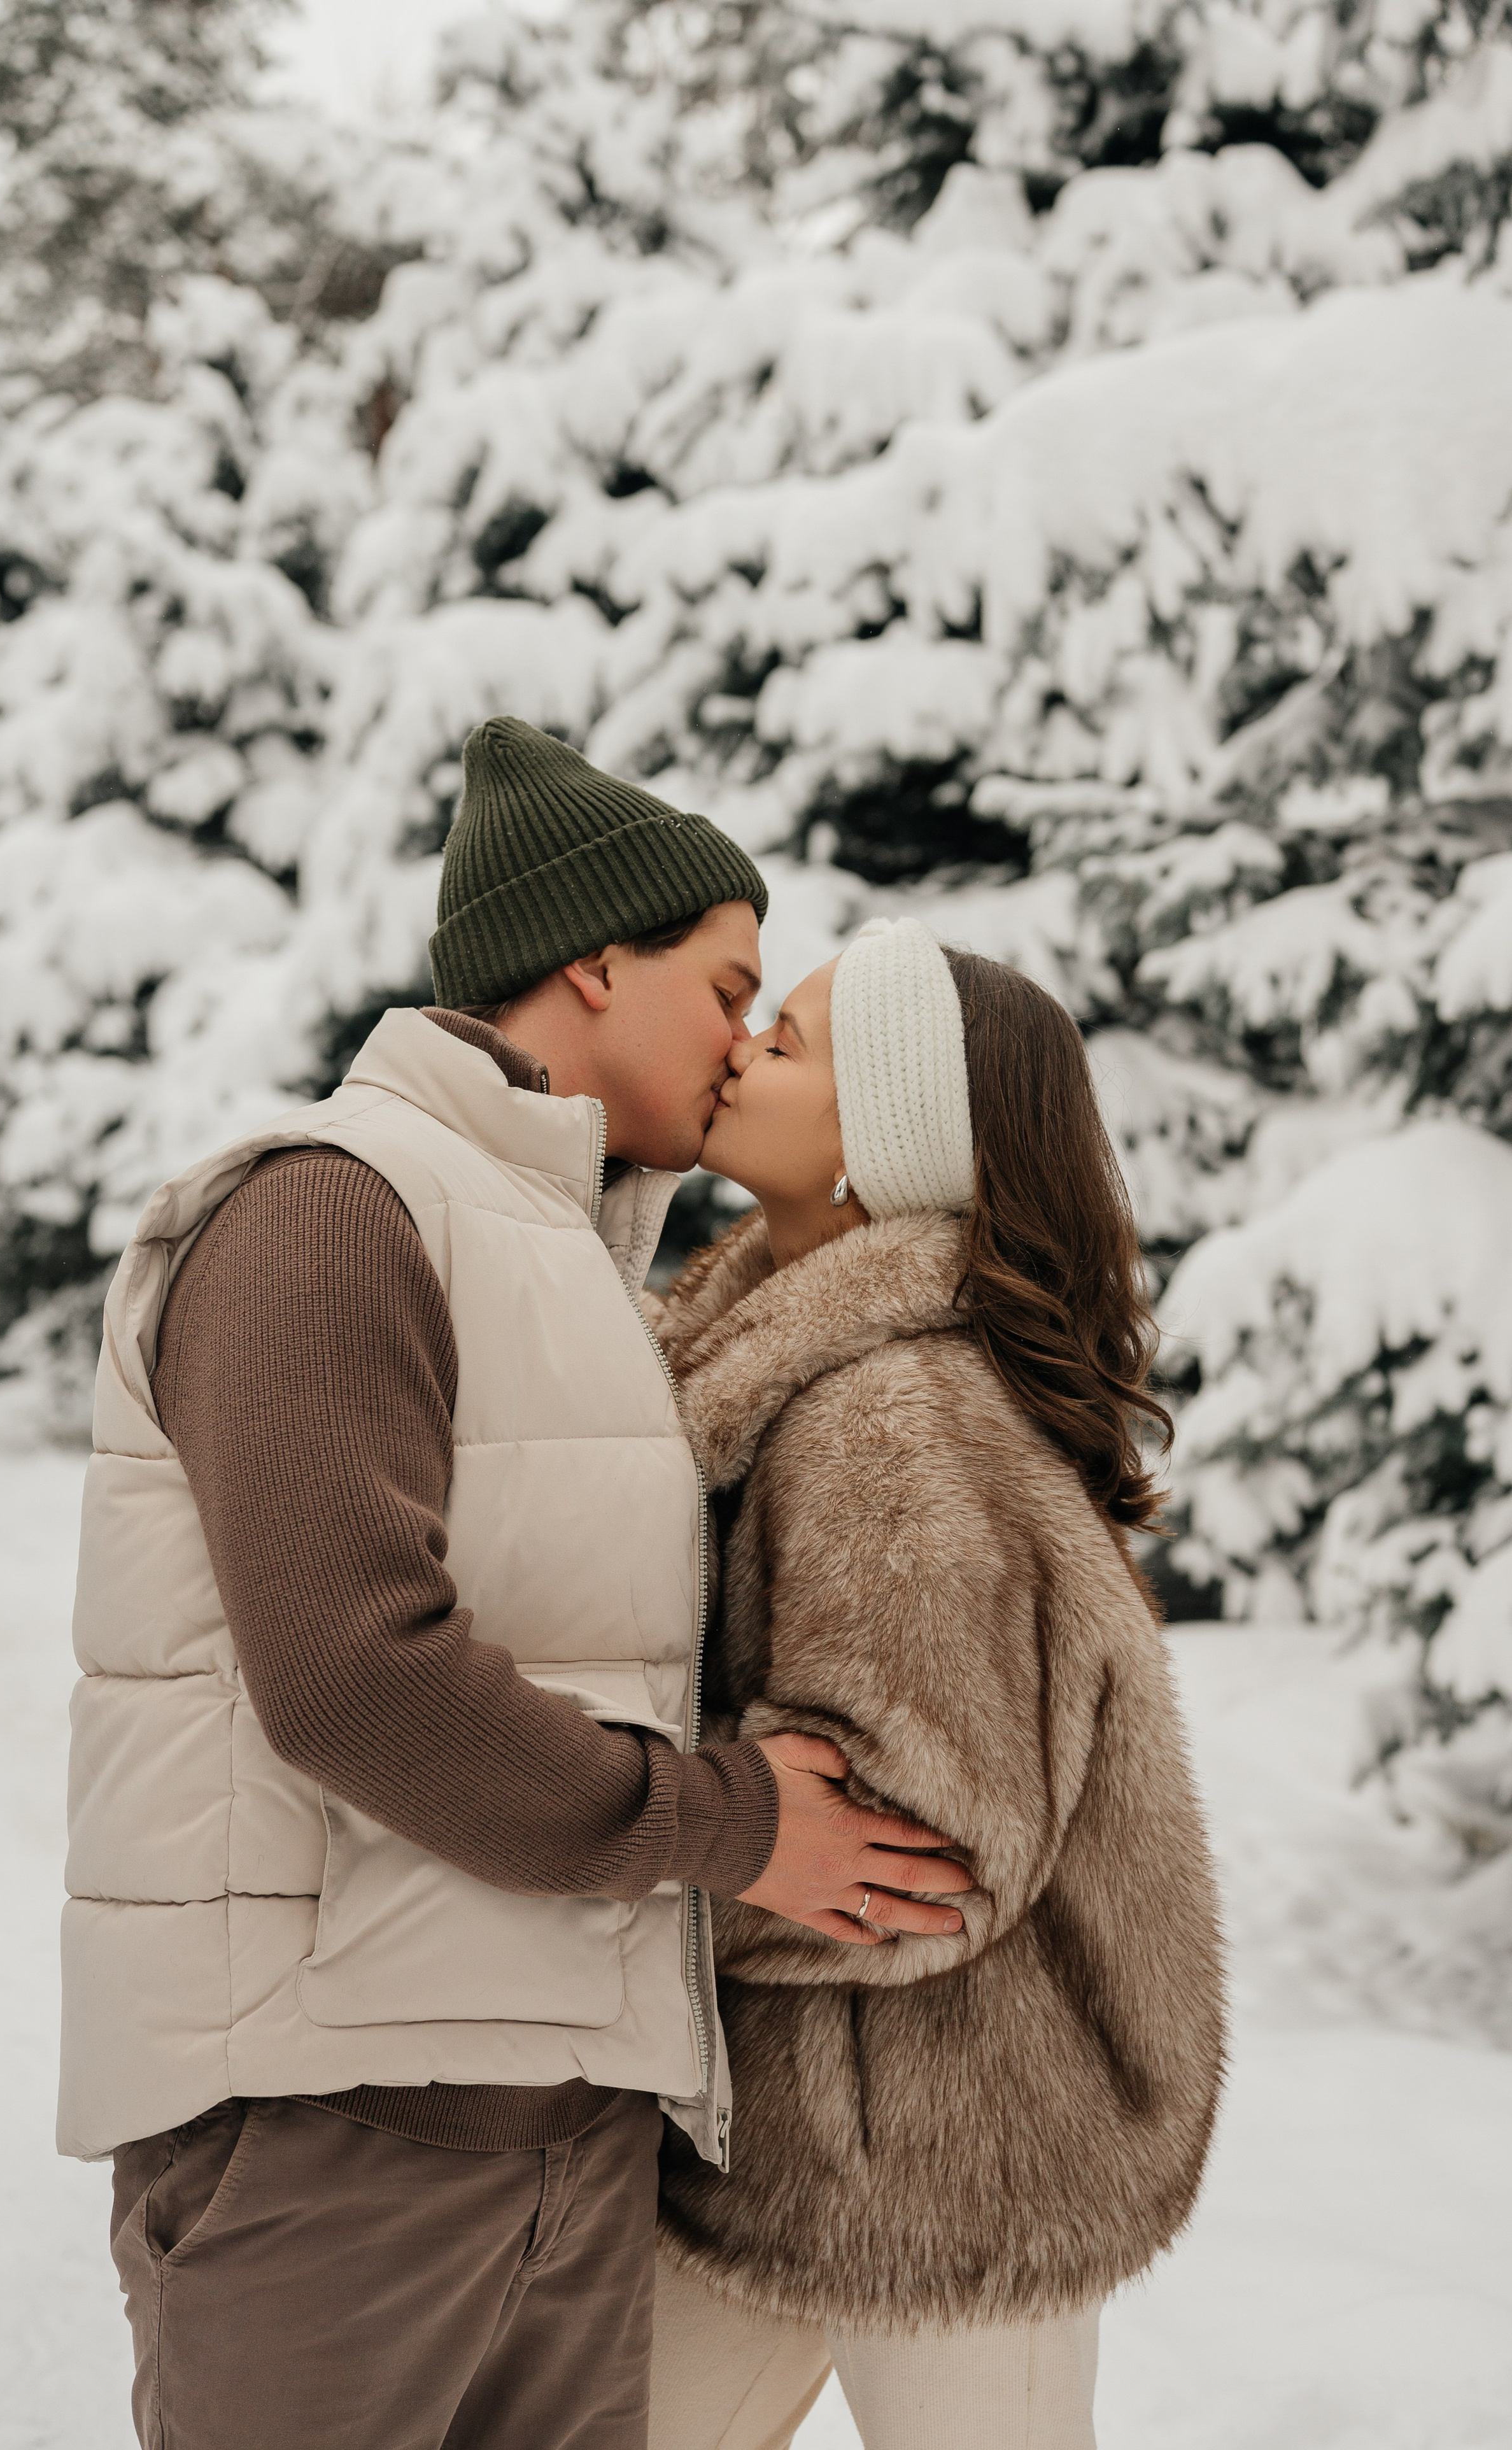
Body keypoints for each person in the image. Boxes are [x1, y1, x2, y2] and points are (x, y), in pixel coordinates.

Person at [59, 728, 972, 2450]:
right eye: (726, 985)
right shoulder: (331, 1212)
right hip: (328, 2133)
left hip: (560, 2134)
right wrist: (731, 1824)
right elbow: (353, 1676)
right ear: (593, 962)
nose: (740, 1038)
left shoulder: (574, 1260)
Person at [645, 919, 1228, 2450]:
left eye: (790, 1040)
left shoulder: (889, 1413)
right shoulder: (763, 1359)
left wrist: (601, 1864)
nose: (739, 1042)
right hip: (783, 2137)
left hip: (965, 2153)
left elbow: (912, 1829)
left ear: (875, 1148)